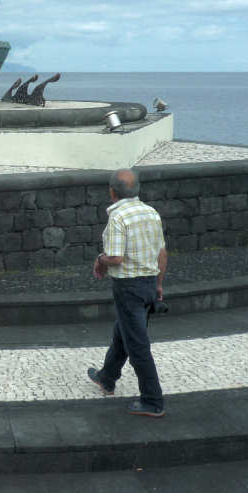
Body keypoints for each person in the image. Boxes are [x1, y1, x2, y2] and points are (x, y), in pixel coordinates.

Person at [87, 168, 168, 417]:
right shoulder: (151, 213)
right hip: (148, 284)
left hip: (129, 288)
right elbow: (162, 252)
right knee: (124, 333)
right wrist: (158, 284)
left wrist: (100, 260)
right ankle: (107, 377)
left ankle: (153, 401)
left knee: (137, 345)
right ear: (137, 190)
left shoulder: (118, 217)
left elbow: (115, 257)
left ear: (112, 192)